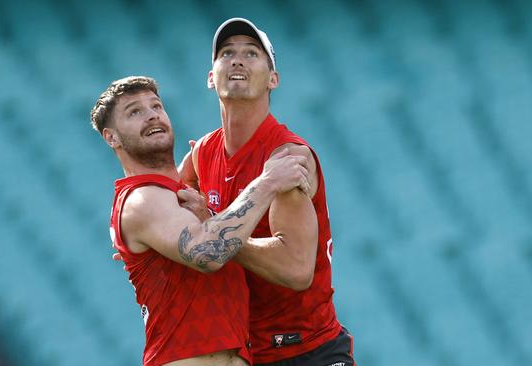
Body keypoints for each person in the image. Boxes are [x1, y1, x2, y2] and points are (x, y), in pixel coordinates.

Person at [90, 76, 311, 366]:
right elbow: (208, 252)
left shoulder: (176, 198)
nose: (152, 115)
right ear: (112, 137)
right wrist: (267, 183)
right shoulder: (142, 198)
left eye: (156, 106)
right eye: (135, 111)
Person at [180, 18, 355, 365]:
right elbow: (167, 204)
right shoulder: (203, 152)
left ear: (273, 79)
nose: (238, 60)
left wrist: (216, 232)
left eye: (252, 53)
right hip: (247, 353)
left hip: (308, 352)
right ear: (211, 77)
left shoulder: (287, 158)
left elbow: (295, 269)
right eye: (227, 53)